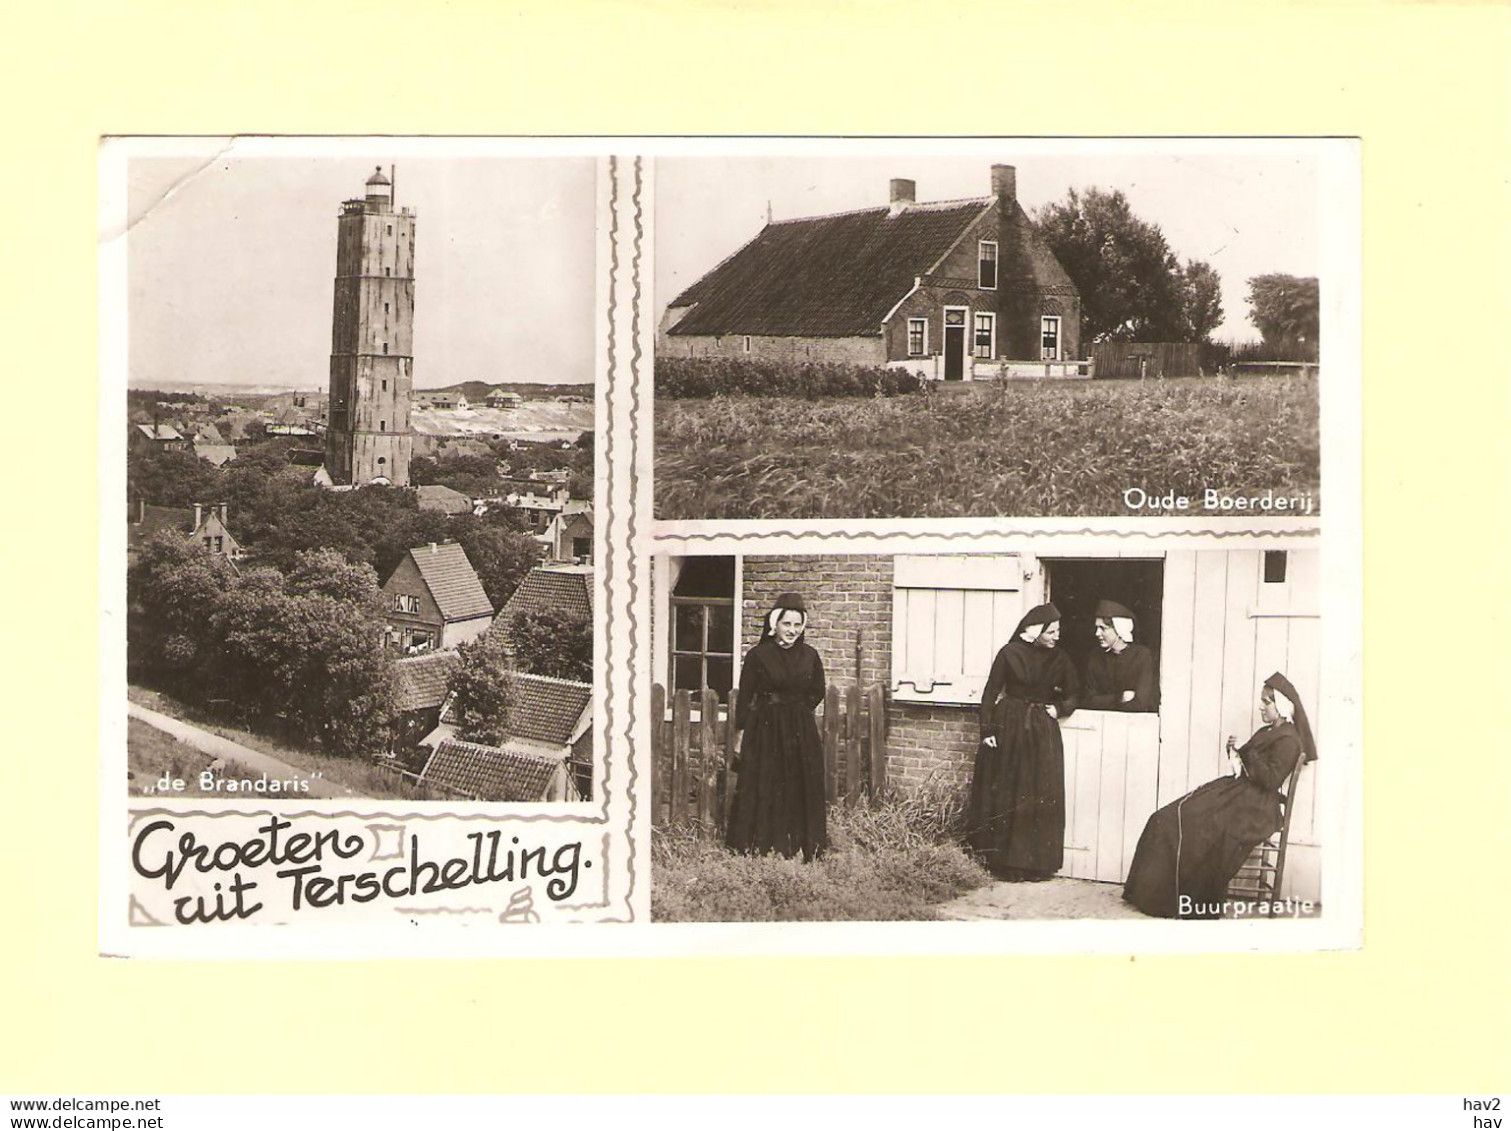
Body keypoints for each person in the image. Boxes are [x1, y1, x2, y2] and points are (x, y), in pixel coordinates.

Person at [1123, 672, 1317, 918]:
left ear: (1281, 706)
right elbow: (1247, 766)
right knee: (1165, 817)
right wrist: (1234, 751)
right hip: (1240, 794)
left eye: (1266, 702)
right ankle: (1150, 892)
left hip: (1256, 808)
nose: (1261, 706)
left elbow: (1269, 780)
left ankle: (1171, 897)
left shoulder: (1289, 740)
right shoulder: (1268, 731)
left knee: (1189, 823)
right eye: (1262, 701)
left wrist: (1248, 755)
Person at [965, 603, 1079, 881]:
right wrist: (987, 730)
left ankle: (1036, 865)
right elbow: (990, 693)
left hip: (1041, 730)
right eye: (1051, 631)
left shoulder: (1061, 658)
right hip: (1010, 727)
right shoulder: (1009, 653)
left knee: (1039, 793)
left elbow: (1075, 692)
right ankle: (1004, 863)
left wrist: (1061, 709)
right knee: (1008, 791)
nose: (1056, 636)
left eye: (1057, 631)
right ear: (1035, 631)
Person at [725, 593, 828, 862]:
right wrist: (742, 732)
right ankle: (759, 845)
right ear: (775, 624)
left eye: (797, 625)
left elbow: (818, 690)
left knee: (799, 782)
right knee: (765, 782)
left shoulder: (810, 655)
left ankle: (800, 845)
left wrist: (799, 711)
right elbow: (746, 698)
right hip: (765, 729)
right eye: (787, 624)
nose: (792, 631)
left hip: (799, 729)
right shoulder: (758, 656)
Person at [1083, 599, 1157, 711]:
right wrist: (1120, 697)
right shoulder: (1095, 657)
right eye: (1097, 628)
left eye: (1103, 628)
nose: (1097, 633)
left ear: (1119, 629)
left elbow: (1141, 703)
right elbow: (1088, 700)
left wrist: (1104, 701)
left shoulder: (1142, 656)